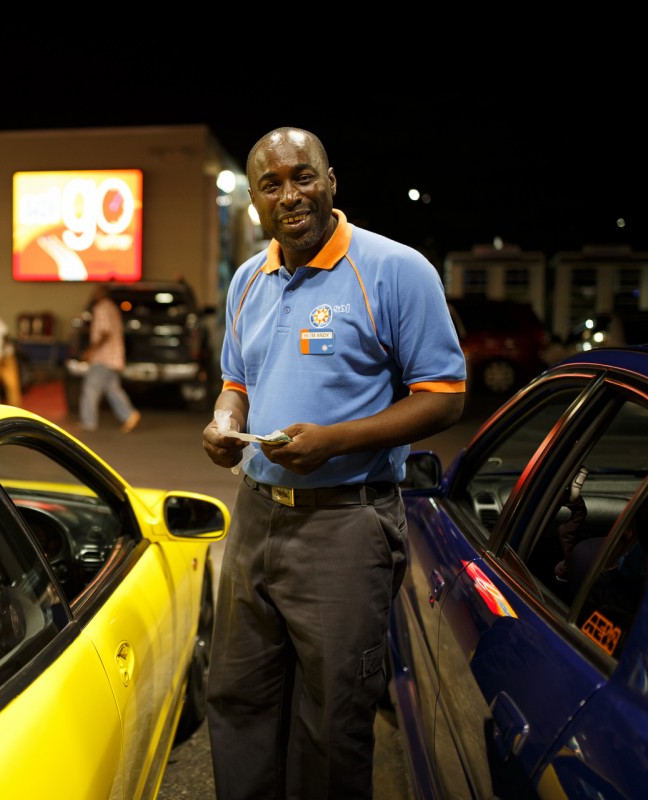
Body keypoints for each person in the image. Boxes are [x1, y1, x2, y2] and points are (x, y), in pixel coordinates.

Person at [200, 127, 467, 800]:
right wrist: (225, 422)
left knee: (332, 718)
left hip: (346, 524)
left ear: (330, 181)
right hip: (256, 515)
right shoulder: (247, 279)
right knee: (237, 697)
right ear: (256, 200)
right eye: (272, 184)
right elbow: (236, 382)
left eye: (303, 176)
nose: (290, 195)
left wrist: (335, 440)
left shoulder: (395, 269)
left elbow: (444, 397)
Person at [78, 282, 140, 433]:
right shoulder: (113, 308)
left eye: (96, 291)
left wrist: (90, 351)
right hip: (115, 357)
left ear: (102, 293)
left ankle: (88, 422)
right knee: (112, 388)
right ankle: (129, 415)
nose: (93, 294)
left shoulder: (101, 308)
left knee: (90, 388)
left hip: (103, 357)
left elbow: (105, 333)